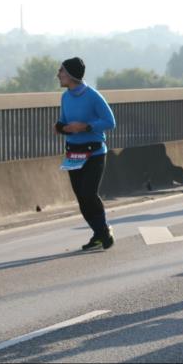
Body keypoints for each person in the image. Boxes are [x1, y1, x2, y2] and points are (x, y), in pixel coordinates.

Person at [54, 57, 117, 250]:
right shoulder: (65, 97)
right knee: (81, 197)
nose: (58, 74)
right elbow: (63, 121)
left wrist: (86, 126)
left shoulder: (93, 96)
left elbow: (110, 122)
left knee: (89, 193)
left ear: (71, 75)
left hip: (95, 152)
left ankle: (104, 233)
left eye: (61, 71)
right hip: (73, 154)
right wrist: (61, 127)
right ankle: (100, 233)